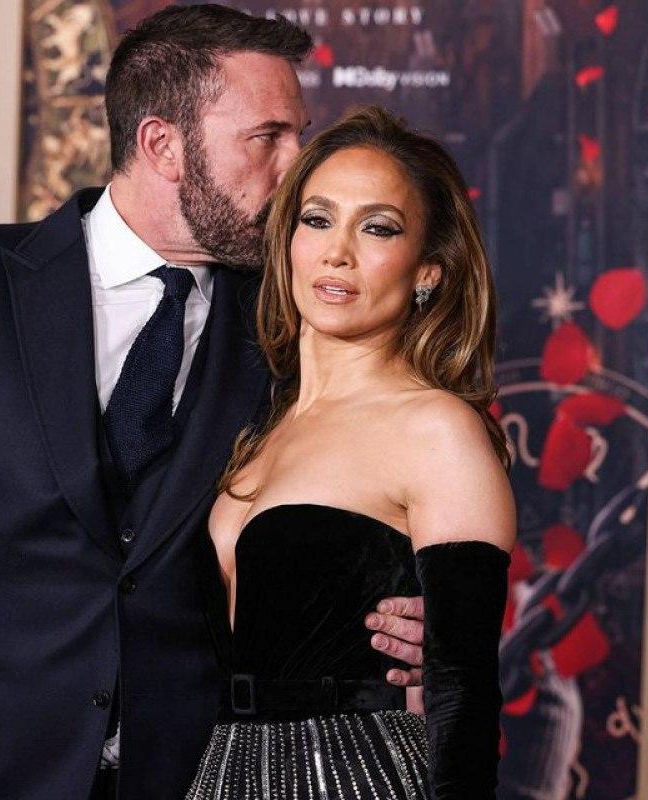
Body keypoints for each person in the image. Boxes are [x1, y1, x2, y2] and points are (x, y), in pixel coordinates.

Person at [0, 6, 427, 799]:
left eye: (299, 136)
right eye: (268, 137)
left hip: (201, 778)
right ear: (162, 145)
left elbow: (353, 513)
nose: (298, 167)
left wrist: (412, 613)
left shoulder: (294, 323)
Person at [185, 106, 517, 799]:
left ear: (428, 271)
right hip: (223, 772)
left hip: (357, 776)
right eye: (317, 219)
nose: (338, 251)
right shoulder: (257, 427)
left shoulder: (438, 429)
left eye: (378, 228)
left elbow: (463, 698)